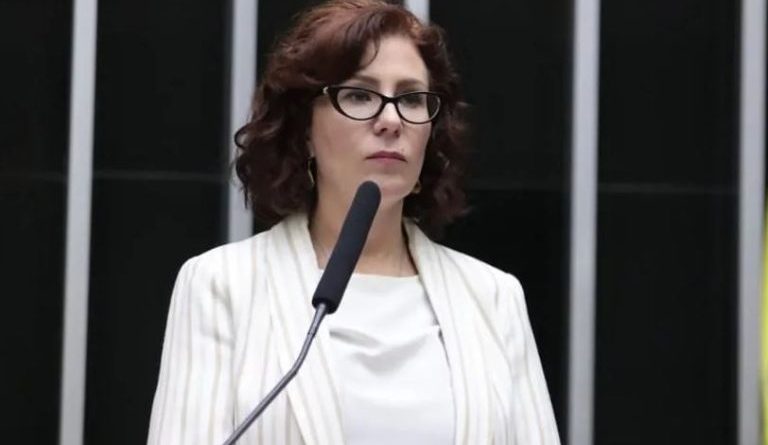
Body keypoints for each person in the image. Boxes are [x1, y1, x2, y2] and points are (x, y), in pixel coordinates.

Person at [147, 1, 560, 444]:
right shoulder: (221, 285)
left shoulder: (492, 297)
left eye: (411, 98)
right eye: (359, 95)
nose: (391, 120)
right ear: (305, 128)